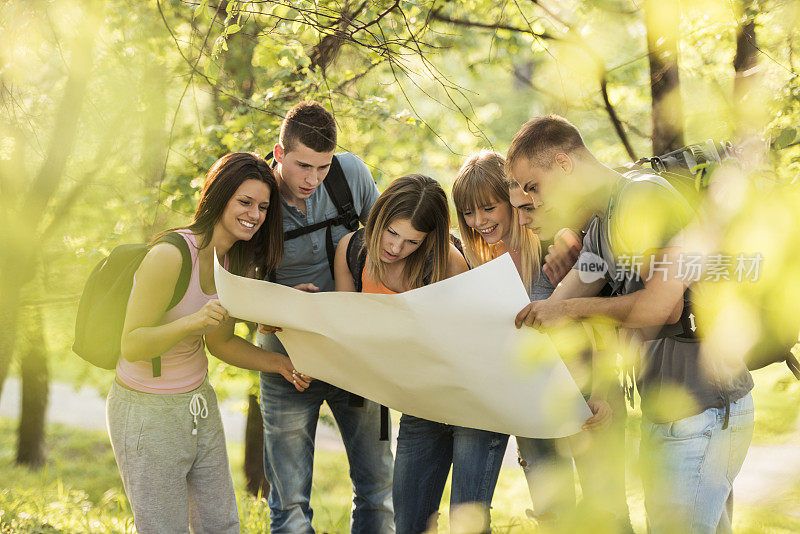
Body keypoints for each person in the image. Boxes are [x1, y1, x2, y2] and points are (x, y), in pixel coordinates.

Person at [508, 115, 754, 533]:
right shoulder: (602, 226)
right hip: (672, 415)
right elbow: (561, 300)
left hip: (703, 413)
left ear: (565, 164)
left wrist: (565, 312)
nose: (532, 200)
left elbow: (663, 307)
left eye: (533, 186)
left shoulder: (641, 199)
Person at [107, 152, 310, 534]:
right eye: (244, 202)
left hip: (199, 405)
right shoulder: (169, 256)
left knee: (221, 524)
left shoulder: (232, 262)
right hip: (146, 411)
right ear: (219, 197)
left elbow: (221, 344)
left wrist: (281, 365)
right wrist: (190, 323)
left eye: (263, 206)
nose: (255, 214)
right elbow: (132, 344)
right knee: (163, 527)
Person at [454, 150, 632, 530]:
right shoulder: (478, 261)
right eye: (468, 213)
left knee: (610, 517)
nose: (479, 221)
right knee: (556, 520)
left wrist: (601, 393)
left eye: (488, 208)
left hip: (589, 400)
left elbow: (602, 317)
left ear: (513, 200)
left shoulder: (559, 241)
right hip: (533, 411)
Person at [333, 174, 503, 534]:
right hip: (420, 406)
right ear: (377, 217)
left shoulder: (447, 263)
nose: (396, 248)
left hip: (473, 404)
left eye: (412, 241)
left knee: (467, 524)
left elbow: (480, 340)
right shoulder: (352, 250)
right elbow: (347, 329)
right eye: (391, 233)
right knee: (409, 523)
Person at [256, 101, 394, 533]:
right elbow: (232, 288)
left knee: (379, 491)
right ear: (279, 154)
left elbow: (390, 246)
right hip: (287, 361)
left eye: (322, 166)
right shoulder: (254, 194)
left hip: (355, 355)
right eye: (302, 166)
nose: (312, 179)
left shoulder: (351, 174)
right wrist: (277, 306)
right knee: (290, 502)